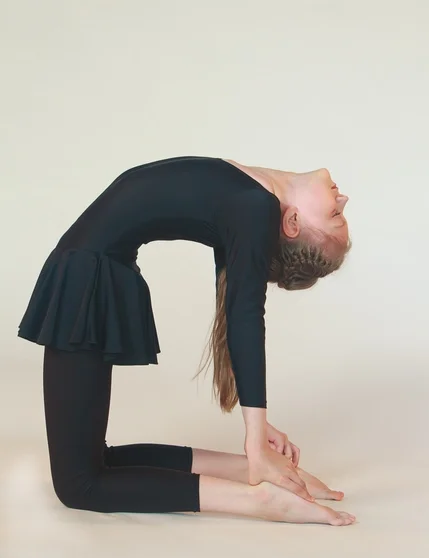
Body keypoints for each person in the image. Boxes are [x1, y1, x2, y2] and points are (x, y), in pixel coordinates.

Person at [18, 156, 355, 526]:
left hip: (88, 277)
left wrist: (257, 438)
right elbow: (235, 311)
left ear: (292, 224)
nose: (343, 201)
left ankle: (256, 500)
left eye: (335, 216)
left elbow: (244, 316)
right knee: (92, 465)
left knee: (78, 485)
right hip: (96, 275)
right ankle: (244, 472)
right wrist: (255, 438)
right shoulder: (257, 199)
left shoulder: (257, 205)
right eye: (339, 215)